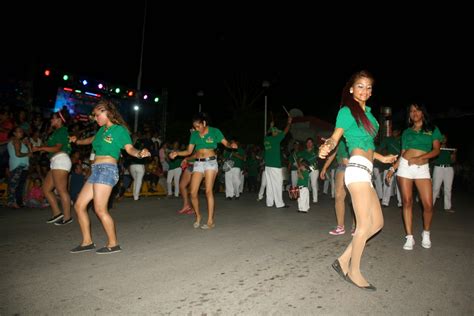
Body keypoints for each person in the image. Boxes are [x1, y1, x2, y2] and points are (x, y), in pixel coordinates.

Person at [319, 70, 397, 291]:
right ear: (352, 89)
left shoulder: (370, 115)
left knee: (377, 224)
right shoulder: (346, 111)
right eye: (360, 86)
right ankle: (353, 271)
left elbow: (368, 148)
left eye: (369, 87)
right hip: (355, 171)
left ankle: (342, 260)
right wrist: (327, 146)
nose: (365, 90)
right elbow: (335, 137)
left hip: (367, 171)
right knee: (363, 226)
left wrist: (383, 157)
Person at [69, 100, 150, 254]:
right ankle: (87, 242)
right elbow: (90, 140)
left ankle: (113, 244)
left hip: (107, 169)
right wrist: (77, 141)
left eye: (98, 114)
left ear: (109, 114)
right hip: (95, 170)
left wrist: (140, 153)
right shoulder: (101, 131)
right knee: (79, 205)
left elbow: (129, 148)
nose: (95, 117)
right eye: (94, 115)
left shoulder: (119, 130)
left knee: (100, 209)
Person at [387, 103, 442, 250]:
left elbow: (437, 150)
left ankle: (426, 233)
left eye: (417, 110)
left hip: (422, 168)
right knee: (407, 201)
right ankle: (409, 237)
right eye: (411, 111)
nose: (414, 113)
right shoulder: (406, 132)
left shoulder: (433, 129)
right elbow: (403, 153)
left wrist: (420, 158)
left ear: (423, 112)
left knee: (428, 205)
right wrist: (392, 169)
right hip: (405, 166)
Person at [169, 112, 236, 229]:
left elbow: (226, 143)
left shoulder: (215, 131)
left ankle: (210, 221)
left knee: (208, 191)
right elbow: (189, 152)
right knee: (193, 192)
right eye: (195, 127)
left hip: (210, 162)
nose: (196, 129)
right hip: (198, 163)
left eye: (198, 126)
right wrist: (177, 153)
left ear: (204, 123)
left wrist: (232, 145)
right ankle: (198, 216)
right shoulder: (194, 135)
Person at [32, 109, 73, 225]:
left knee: (61, 190)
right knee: (46, 189)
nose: (51, 119)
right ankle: (57, 214)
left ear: (60, 120)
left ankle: (67, 217)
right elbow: (53, 147)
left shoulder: (62, 131)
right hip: (56, 161)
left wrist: (41, 148)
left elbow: (57, 148)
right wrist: (42, 148)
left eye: (53, 118)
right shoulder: (57, 131)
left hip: (61, 160)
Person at [320, 139, 355, 236]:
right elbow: (332, 154)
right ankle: (340, 226)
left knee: (353, 199)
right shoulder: (338, 139)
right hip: (341, 167)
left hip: (354, 167)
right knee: (339, 197)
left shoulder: (352, 135)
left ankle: (355, 225)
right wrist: (324, 167)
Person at [263, 116, 293, 208]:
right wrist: (289, 122)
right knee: (278, 184)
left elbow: (267, 133)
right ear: (274, 132)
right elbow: (285, 131)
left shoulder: (266, 139)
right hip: (275, 166)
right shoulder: (276, 139)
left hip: (267, 166)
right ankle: (279, 204)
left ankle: (269, 203)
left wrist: (270, 126)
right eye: (276, 131)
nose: (278, 133)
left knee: (270, 185)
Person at [7, 127, 31, 208]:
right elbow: (18, 154)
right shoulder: (16, 140)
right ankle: (13, 202)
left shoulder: (19, 141)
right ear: (14, 133)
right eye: (19, 131)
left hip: (22, 166)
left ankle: (17, 202)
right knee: (15, 185)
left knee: (18, 185)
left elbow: (30, 153)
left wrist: (27, 145)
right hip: (18, 166)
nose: (21, 133)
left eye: (22, 131)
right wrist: (27, 154)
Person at [378, 126, 402, 207]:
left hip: (400, 165)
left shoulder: (402, 139)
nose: (394, 132)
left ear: (399, 132)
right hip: (388, 165)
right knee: (387, 184)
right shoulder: (388, 139)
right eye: (393, 131)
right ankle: (385, 202)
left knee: (400, 185)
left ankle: (401, 203)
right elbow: (380, 149)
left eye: (396, 131)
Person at [432, 134, 456, 212]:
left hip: (449, 168)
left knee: (448, 189)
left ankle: (447, 207)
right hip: (438, 168)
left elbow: (453, 161)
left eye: (445, 138)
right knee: (435, 188)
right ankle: (430, 206)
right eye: (442, 138)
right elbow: (432, 159)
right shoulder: (435, 148)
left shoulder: (450, 149)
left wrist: (454, 154)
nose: (443, 139)